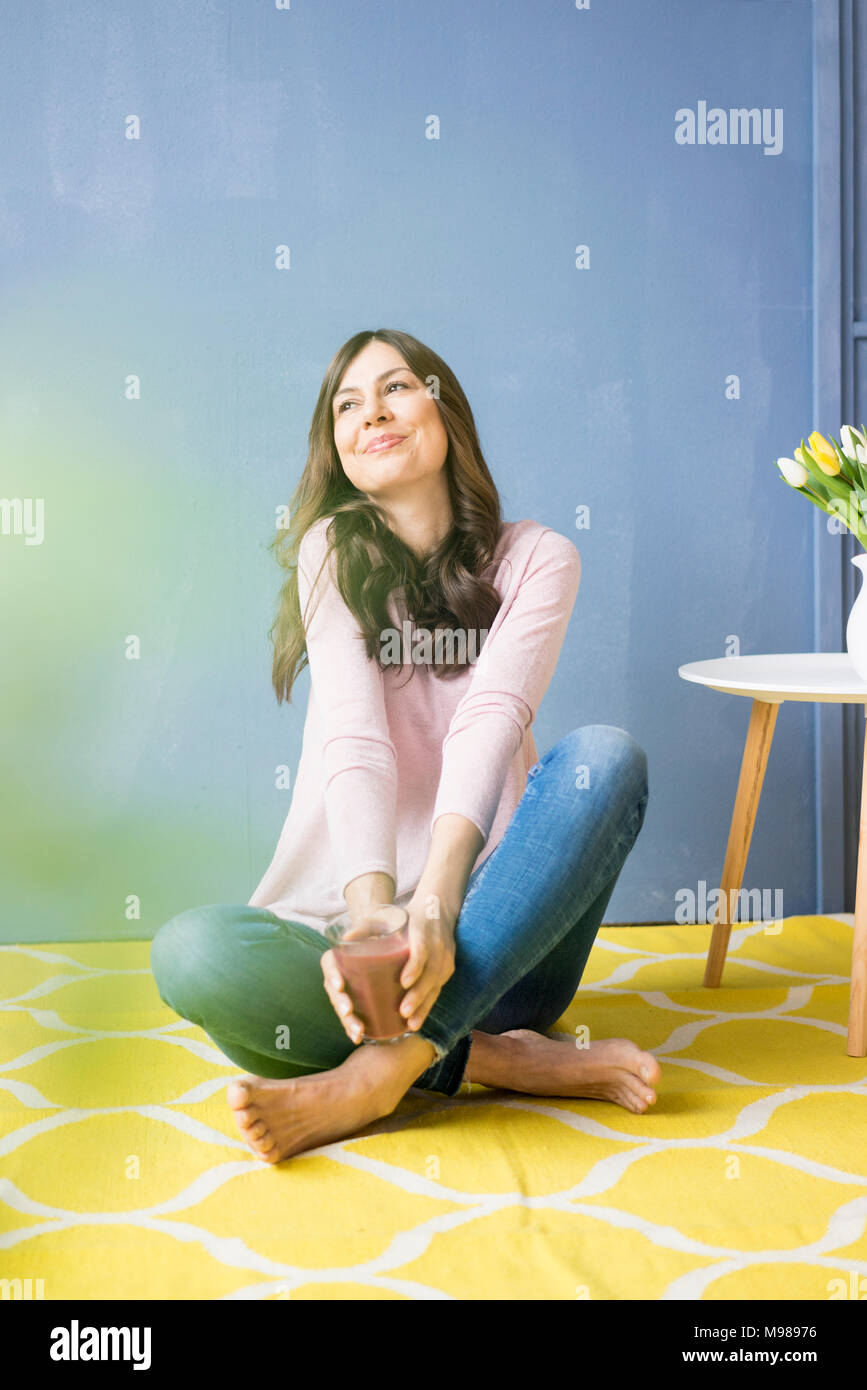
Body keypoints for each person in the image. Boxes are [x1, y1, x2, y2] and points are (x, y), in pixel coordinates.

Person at [150, 327, 657, 1165]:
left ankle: (381, 1071)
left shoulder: (539, 558)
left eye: (394, 388)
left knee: (605, 759)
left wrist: (437, 908)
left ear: (442, 409)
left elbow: (488, 717)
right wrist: (374, 916)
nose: (370, 413)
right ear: (337, 448)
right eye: (346, 404)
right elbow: (355, 736)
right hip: (371, 955)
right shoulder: (331, 555)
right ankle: (490, 1060)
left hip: (504, 948)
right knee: (193, 954)